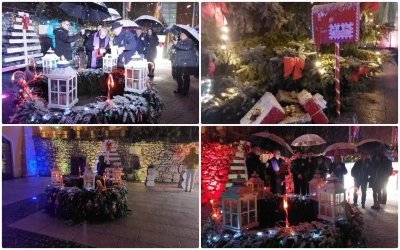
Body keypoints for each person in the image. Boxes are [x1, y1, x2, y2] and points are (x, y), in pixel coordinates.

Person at [172, 32, 198, 96]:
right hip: (180, 62)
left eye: (183, 34)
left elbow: (187, 48)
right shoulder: (180, 42)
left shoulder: (190, 41)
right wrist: (174, 51)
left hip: (187, 62)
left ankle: (185, 92)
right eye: (180, 34)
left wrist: (176, 44)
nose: (181, 35)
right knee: (178, 76)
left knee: (186, 77)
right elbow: (180, 49)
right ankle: (180, 89)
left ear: (187, 35)